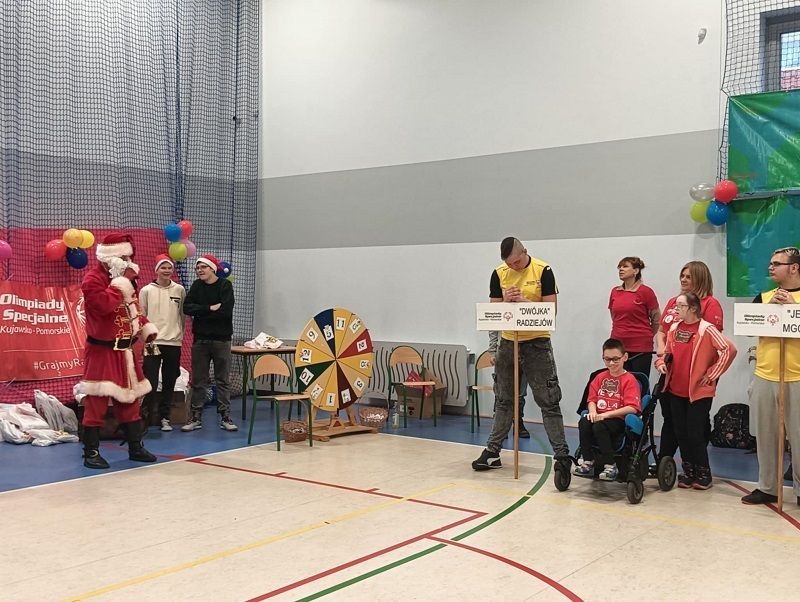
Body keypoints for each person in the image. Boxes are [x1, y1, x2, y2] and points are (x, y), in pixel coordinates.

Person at [472, 237, 569, 472]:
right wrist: (506, 301)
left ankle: (562, 455)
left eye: (516, 262)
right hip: (509, 342)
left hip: (537, 344)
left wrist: (523, 301)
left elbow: (551, 311)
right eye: (509, 264)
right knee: (504, 399)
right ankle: (493, 451)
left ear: (525, 252)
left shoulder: (543, 270)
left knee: (548, 400)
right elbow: (493, 313)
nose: (513, 267)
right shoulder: (499, 273)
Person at [76, 232, 159, 469]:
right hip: (101, 351)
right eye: (123, 257)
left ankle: (135, 447)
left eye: (128, 257)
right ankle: (91, 452)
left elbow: (132, 309)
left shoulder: (123, 280)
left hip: (125, 352)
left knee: (129, 400)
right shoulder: (93, 280)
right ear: (108, 257)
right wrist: (122, 283)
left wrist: (144, 327)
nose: (127, 261)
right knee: (97, 401)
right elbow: (103, 306)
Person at [656, 292, 736, 489]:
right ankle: (688, 470)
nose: (676, 310)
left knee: (695, 433)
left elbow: (729, 350)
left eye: (680, 306)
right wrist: (661, 363)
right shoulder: (674, 328)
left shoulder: (707, 329)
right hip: (675, 389)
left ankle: (703, 473)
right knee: (681, 432)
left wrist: (713, 373)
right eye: (676, 306)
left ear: (692, 308)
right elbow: (668, 352)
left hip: (698, 392)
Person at [741, 246, 800, 505]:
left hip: (797, 376)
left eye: (777, 263)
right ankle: (768, 487)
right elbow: (748, 328)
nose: (770, 267)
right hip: (765, 374)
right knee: (766, 435)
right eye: (771, 263)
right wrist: (769, 311)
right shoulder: (764, 297)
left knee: (799, 437)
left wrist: (793, 308)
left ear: (794, 268)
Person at [655, 261, 724, 460]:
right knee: (670, 416)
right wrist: (662, 349)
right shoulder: (673, 302)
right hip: (671, 368)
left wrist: (709, 372)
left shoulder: (710, 304)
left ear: (700, 279)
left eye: (689, 276)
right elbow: (662, 330)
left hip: (697, 371)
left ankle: (697, 463)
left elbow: (712, 340)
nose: (683, 280)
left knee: (695, 421)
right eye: (682, 276)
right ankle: (665, 460)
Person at [181, 254, 237, 432]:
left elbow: (226, 311)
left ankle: (225, 416)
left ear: (212, 268)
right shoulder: (197, 286)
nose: (199, 270)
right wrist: (209, 308)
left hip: (221, 340)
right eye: (197, 268)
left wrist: (201, 312)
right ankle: (195, 416)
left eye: (203, 267)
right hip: (200, 340)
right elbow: (187, 307)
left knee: (223, 380)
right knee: (199, 380)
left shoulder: (225, 285)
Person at [574, 339, 641, 481]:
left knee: (599, 427)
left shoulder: (629, 380)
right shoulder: (600, 377)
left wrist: (606, 415)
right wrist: (593, 412)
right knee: (584, 422)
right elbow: (591, 400)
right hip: (599, 416)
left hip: (617, 420)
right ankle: (587, 461)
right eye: (607, 359)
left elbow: (632, 407)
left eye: (615, 359)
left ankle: (611, 465)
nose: (611, 363)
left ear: (625, 357)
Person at [140, 254, 186, 432]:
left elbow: (182, 316)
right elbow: (142, 317)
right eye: (163, 268)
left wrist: (179, 336)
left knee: (169, 380)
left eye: (169, 268)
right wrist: (147, 338)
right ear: (157, 270)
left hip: (173, 343)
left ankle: (164, 417)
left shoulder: (179, 290)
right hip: (153, 343)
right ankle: (145, 418)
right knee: (150, 381)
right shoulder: (146, 291)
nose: (167, 271)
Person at [608, 256, 660, 377]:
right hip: (618, 345)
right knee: (618, 381)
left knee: (639, 382)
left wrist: (645, 335)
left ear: (636, 271)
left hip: (640, 347)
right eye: (620, 267)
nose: (621, 269)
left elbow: (657, 319)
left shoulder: (646, 292)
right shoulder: (615, 291)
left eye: (625, 266)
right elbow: (614, 316)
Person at [489, 330, 529, 438]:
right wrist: (492, 351)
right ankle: (500, 426)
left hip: (525, 350)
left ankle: (518, 422)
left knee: (521, 392)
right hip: (504, 349)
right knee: (502, 392)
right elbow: (493, 328)